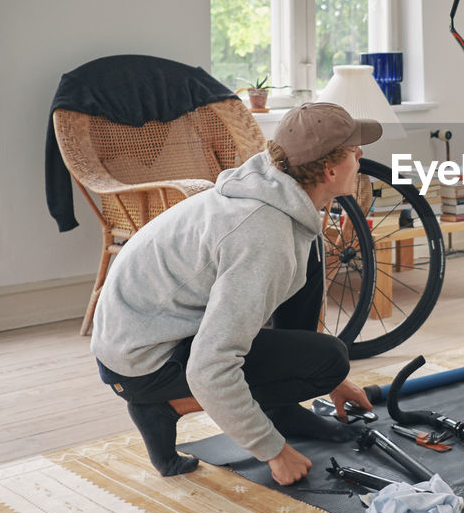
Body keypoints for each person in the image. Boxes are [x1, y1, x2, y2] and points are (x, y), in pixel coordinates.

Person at [90, 102, 379, 485]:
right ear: (329, 170)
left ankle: (283, 409)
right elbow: (210, 368)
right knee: (329, 358)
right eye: (353, 152)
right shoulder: (261, 235)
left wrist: (325, 381)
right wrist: (273, 451)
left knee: (308, 264)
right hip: (141, 362)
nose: (360, 157)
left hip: (154, 328)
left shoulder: (275, 194)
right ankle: (162, 406)